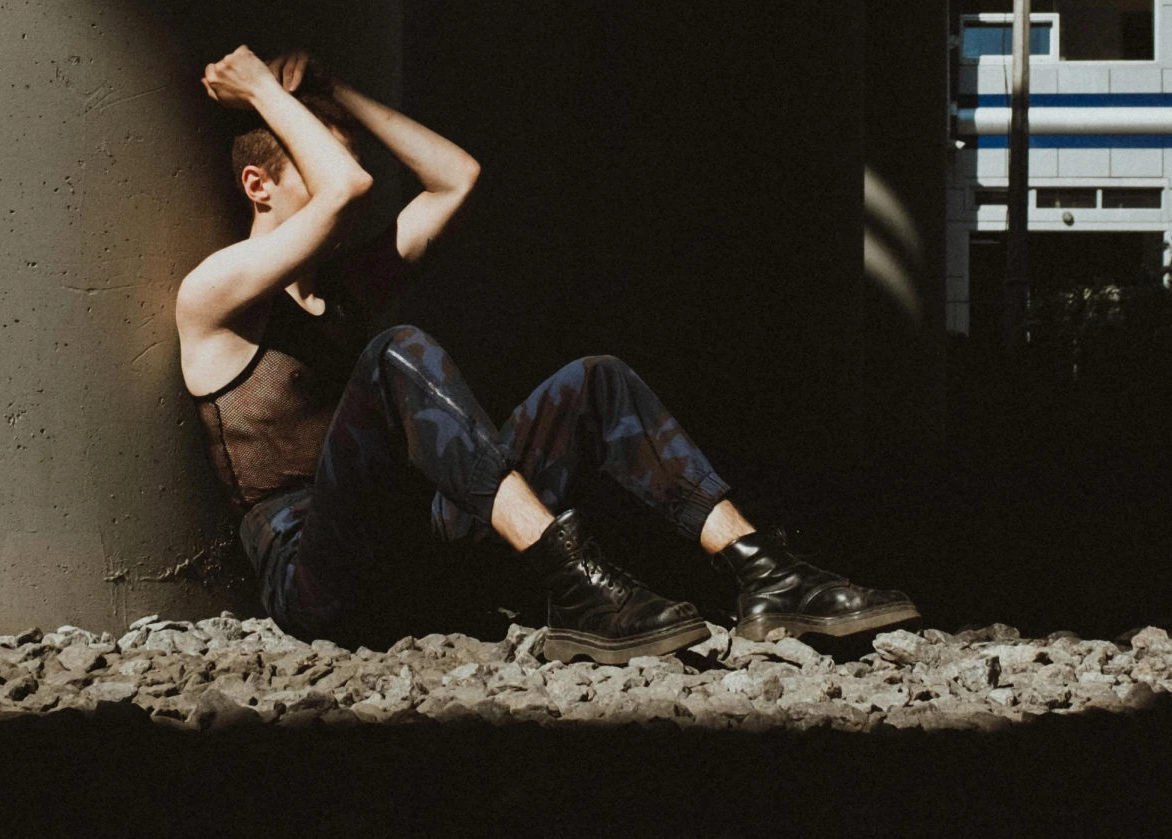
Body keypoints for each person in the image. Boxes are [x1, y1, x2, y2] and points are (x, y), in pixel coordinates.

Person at [174, 44, 917, 663]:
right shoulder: (216, 296)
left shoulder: (344, 287)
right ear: (257, 183)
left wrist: (335, 90)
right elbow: (349, 186)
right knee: (398, 349)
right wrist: (266, 90)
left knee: (595, 380)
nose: (355, 196)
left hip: (409, 548)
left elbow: (455, 177)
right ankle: (573, 579)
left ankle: (761, 568)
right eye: (313, 159)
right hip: (316, 579)